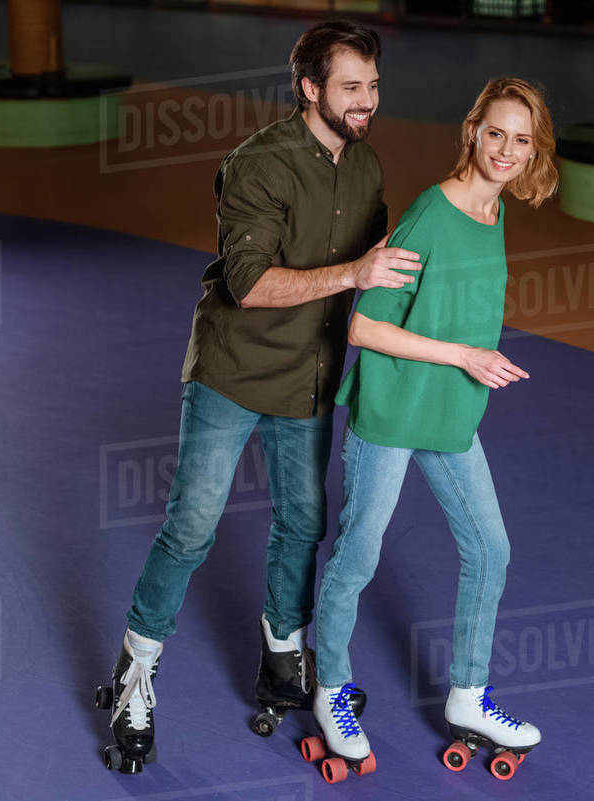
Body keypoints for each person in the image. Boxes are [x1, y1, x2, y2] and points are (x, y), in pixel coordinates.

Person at [96, 21, 422, 774]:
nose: (367, 100)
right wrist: (352, 275)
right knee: (192, 526)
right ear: (310, 88)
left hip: (309, 374)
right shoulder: (258, 166)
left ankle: (283, 659)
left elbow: (377, 273)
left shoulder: (367, 165)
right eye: (351, 87)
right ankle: (135, 672)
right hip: (233, 369)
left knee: (304, 521)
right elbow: (248, 285)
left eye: (372, 85)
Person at [307, 77, 558, 778]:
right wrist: (465, 356)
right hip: (391, 412)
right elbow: (364, 324)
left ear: (534, 150)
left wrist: (467, 364)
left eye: (522, 139)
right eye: (496, 133)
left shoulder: (493, 211)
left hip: (449, 415)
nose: (506, 150)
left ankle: (470, 694)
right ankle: (331, 690)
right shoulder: (432, 213)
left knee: (491, 549)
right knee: (359, 553)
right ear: (473, 130)